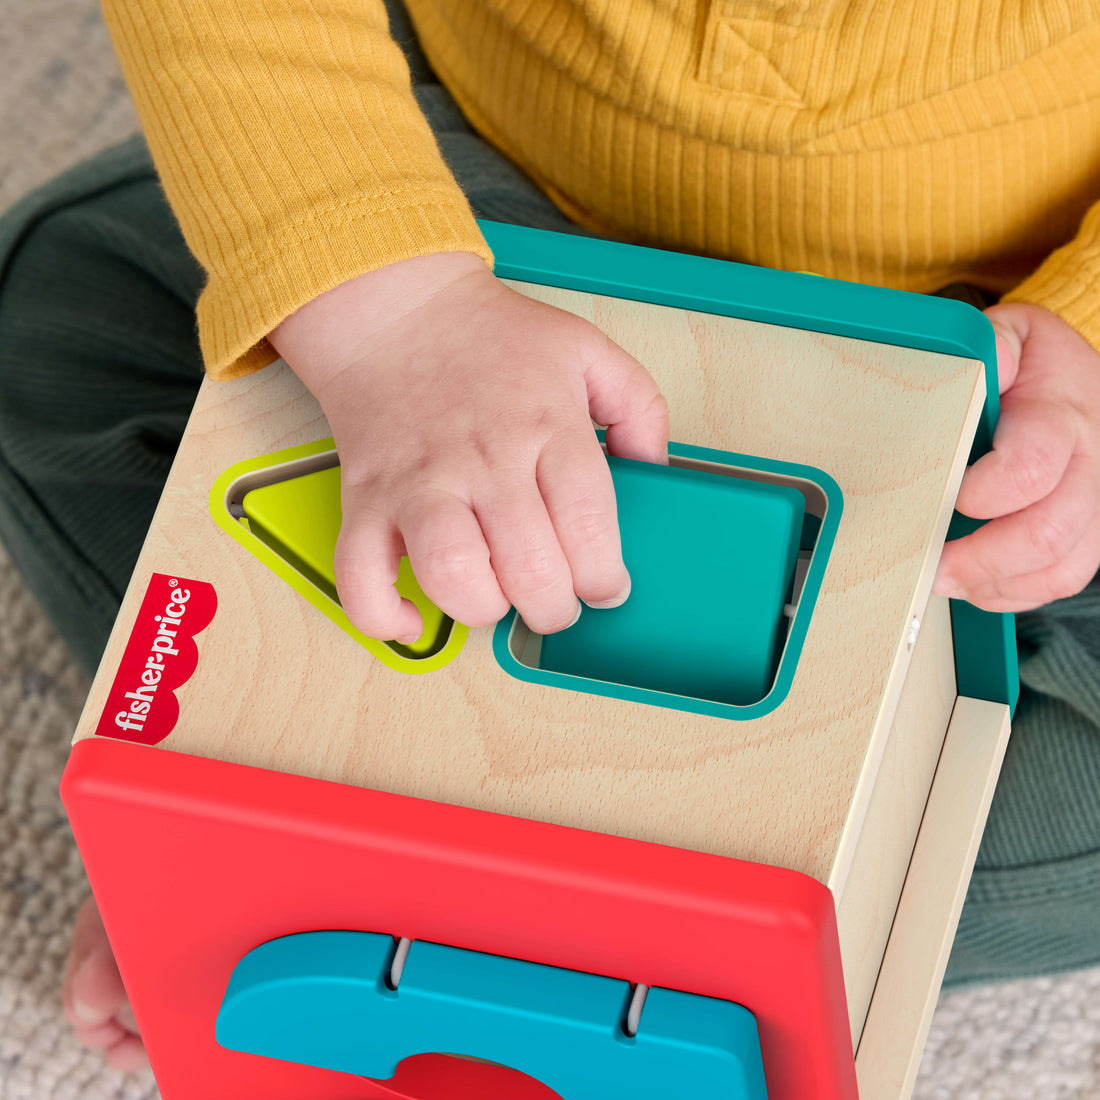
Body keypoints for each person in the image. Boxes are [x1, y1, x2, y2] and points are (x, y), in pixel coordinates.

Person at [1, 0, 1098, 1076]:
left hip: (1017, 344)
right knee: (52, 314)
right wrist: (390, 308)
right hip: (500, 213)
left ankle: (376, 861)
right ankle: (266, 789)